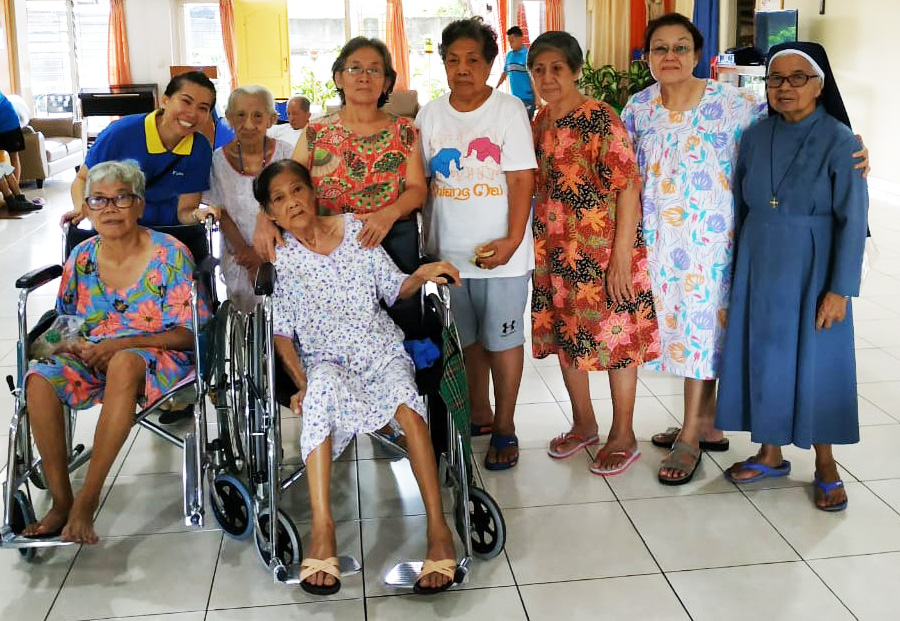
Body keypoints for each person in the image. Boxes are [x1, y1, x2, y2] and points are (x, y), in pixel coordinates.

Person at [620, 13, 869, 485]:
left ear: (698, 55)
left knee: (793, 353)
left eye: (681, 47)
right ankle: (746, 440)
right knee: (752, 348)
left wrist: (841, 286)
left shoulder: (743, 108)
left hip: (750, 251)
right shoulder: (645, 108)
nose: (670, 57)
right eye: (659, 49)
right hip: (712, 248)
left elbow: (847, 205)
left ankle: (809, 459)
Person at [255, 159, 459, 595]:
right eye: (279, 199)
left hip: (378, 349)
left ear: (312, 193)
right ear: (270, 215)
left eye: (297, 190)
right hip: (324, 360)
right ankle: (323, 532)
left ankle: (439, 530)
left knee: (407, 401)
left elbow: (392, 287)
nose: (292, 202)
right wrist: (302, 383)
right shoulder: (282, 257)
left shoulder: (354, 229)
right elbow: (282, 333)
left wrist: (420, 274)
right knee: (319, 395)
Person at [20, 160, 210, 544]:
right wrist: (74, 346)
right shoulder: (83, 257)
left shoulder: (170, 255)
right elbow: (66, 321)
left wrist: (121, 344)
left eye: (122, 198)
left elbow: (191, 333)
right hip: (93, 354)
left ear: (139, 204)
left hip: (158, 355)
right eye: (99, 200)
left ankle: (87, 501)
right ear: (87, 208)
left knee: (124, 363)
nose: (109, 208)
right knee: (39, 377)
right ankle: (60, 502)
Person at [715, 42, 868, 512]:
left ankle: (825, 463)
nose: (785, 88)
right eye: (776, 79)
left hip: (814, 265)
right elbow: (741, 203)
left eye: (797, 78)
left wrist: (840, 289)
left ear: (820, 86)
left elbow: (853, 220)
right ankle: (770, 452)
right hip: (760, 259)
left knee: (818, 361)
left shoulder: (843, 142)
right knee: (765, 356)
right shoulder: (756, 135)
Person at [529, 32, 660, 476]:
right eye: (538, 69)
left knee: (616, 344)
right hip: (556, 254)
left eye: (556, 69)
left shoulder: (600, 118)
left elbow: (628, 187)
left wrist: (621, 257)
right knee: (569, 338)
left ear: (576, 70)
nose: (547, 78)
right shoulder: (540, 121)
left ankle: (623, 433)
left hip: (603, 251)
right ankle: (584, 422)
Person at [416, 17, 536, 471]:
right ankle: (480, 412)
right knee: (466, 341)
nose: (461, 68)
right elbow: (422, 182)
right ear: (443, 64)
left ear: (490, 64)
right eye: (453, 60)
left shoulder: (507, 110)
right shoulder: (429, 113)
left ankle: (505, 424)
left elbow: (523, 177)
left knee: (502, 341)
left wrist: (511, 239)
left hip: (501, 255)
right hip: (449, 255)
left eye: (472, 60)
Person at [254, 37, 426, 257]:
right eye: (355, 68)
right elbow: (284, 181)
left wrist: (390, 213)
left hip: (388, 237)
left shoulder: (404, 130)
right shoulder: (315, 131)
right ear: (339, 78)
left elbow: (418, 189)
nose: (364, 77)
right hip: (327, 244)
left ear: (386, 83)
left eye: (374, 70)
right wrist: (264, 217)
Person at [63, 71, 217, 227]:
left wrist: (197, 214)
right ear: (165, 100)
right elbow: (82, 178)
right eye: (186, 101)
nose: (192, 113)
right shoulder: (120, 133)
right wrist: (80, 208)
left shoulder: (200, 149)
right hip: (117, 231)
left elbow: (184, 212)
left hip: (169, 238)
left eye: (203, 108)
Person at [205, 85, 293, 313]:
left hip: (283, 248)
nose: (249, 124)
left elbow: (294, 207)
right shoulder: (217, 161)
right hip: (238, 252)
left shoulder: (287, 154)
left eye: (258, 116)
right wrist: (248, 254)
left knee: (284, 310)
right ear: (229, 118)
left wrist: (263, 254)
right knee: (244, 317)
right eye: (241, 115)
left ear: (272, 119)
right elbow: (220, 211)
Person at [0, 90, 33, 210]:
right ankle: (12, 198)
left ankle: (16, 197)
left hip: (9, 123)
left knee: (7, 163)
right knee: (3, 167)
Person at [496, 26, 537, 118]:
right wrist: (496, 87)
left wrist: (537, 99)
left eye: (512, 41)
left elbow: (533, 79)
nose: (510, 44)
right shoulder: (509, 55)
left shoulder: (528, 56)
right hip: (514, 98)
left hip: (527, 98)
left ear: (520, 38)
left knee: (525, 125)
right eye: (509, 42)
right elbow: (505, 73)